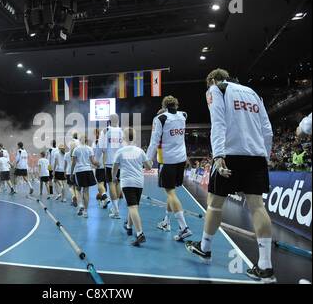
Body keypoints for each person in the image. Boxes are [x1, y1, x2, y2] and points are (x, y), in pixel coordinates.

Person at [185, 68, 276, 283]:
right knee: (257, 206)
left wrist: (218, 156)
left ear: (214, 80)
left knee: (215, 205)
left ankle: (205, 248)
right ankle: (265, 266)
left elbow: (218, 122)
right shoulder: (253, 93)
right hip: (256, 155)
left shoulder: (216, 89)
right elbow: (267, 130)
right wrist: (266, 155)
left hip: (229, 154)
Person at [147, 95, 192, 242]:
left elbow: (154, 141)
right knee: (171, 191)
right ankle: (166, 221)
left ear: (164, 106)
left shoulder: (160, 119)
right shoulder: (183, 115)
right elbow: (180, 112)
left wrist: (148, 159)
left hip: (167, 160)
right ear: (176, 105)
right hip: (181, 159)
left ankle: (184, 227)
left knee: (170, 193)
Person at [113, 128, 153, 247]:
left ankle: (140, 234)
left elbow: (114, 168)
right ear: (134, 137)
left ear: (124, 138)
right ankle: (129, 227)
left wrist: (114, 177)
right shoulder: (140, 151)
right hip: (139, 183)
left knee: (132, 207)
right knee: (133, 206)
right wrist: (150, 161)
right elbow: (148, 167)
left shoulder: (120, 151)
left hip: (127, 182)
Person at [99, 113, 124, 219]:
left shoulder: (105, 131)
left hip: (110, 162)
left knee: (111, 184)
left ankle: (116, 210)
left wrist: (103, 163)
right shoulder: (121, 131)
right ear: (117, 120)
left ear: (109, 120)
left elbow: (103, 148)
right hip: (120, 162)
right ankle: (115, 208)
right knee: (117, 183)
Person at [71, 135, 99, 218]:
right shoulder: (90, 149)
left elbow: (73, 163)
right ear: (86, 140)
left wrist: (72, 173)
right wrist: (98, 164)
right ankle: (86, 212)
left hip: (79, 171)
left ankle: (80, 205)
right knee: (86, 191)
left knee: (78, 189)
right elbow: (93, 161)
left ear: (80, 140)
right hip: (88, 170)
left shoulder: (76, 149)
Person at [93, 128, 109, 208]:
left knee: (100, 184)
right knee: (104, 184)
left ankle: (104, 197)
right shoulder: (107, 142)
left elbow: (93, 155)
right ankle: (104, 201)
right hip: (107, 166)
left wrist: (94, 164)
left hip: (99, 165)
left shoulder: (96, 142)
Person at [65, 142, 78, 207]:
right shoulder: (76, 153)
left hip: (68, 172)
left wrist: (64, 171)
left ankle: (73, 196)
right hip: (75, 171)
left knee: (70, 186)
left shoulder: (66, 154)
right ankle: (75, 199)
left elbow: (65, 164)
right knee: (75, 186)